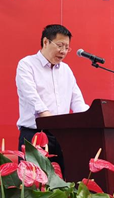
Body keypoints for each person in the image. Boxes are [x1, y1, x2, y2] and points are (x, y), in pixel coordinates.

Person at [16, 24, 89, 172]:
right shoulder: (27, 65)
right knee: (34, 181)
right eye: (60, 45)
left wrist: (90, 118)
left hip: (62, 136)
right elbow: (32, 97)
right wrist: (51, 119)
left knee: (64, 181)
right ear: (45, 42)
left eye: (67, 47)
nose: (63, 51)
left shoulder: (66, 70)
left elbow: (77, 101)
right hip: (35, 135)